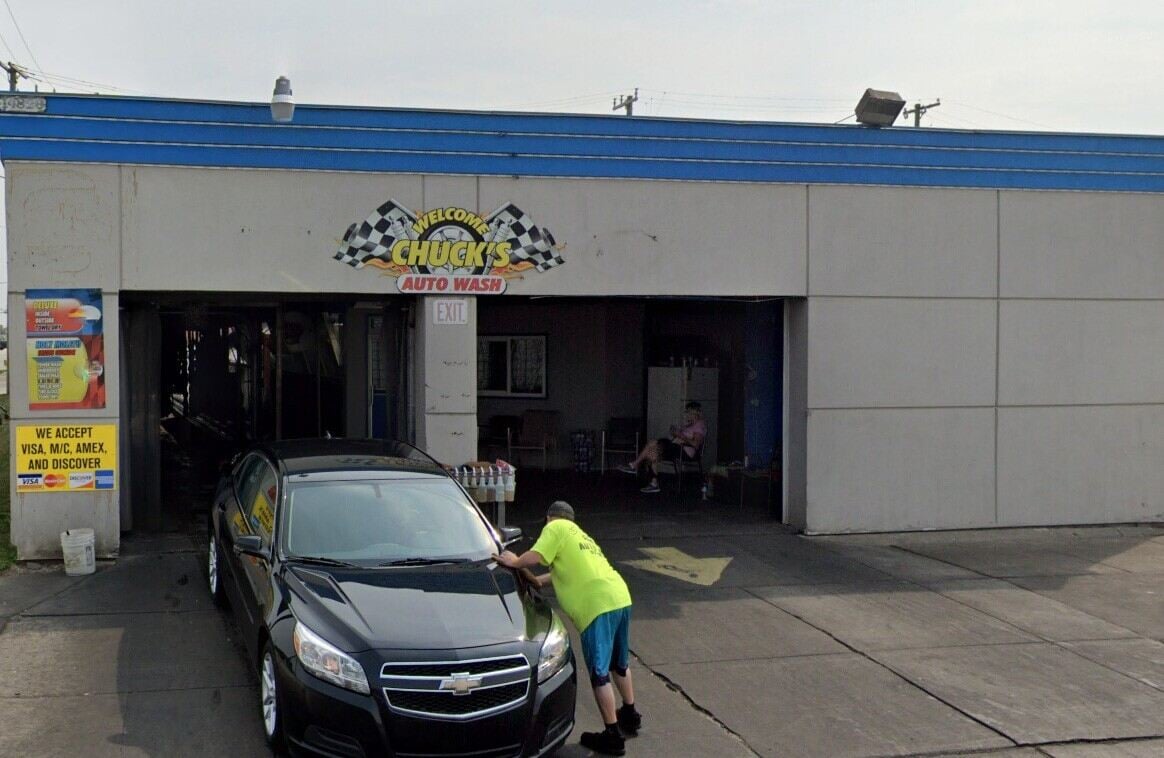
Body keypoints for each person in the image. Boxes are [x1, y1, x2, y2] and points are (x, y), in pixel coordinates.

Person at [493, 501, 640, 756]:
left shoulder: (556, 527)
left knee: (599, 672)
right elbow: (553, 576)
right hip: (619, 597)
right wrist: (533, 578)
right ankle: (630, 713)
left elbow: (536, 556)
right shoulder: (583, 538)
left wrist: (515, 561)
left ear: (549, 518)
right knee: (619, 663)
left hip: (597, 606)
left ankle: (612, 735)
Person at [618, 401, 706, 493]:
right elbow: (678, 436)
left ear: (695, 413)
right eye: (686, 412)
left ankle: (635, 466)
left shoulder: (699, 425)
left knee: (653, 444)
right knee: (653, 451)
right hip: (676, 447)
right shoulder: (688, 425)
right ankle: (652, 482)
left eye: (688, 412)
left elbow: (695, 444)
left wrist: (680, 435)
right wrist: (675, 433)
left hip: (685, 451)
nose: (687, 414)